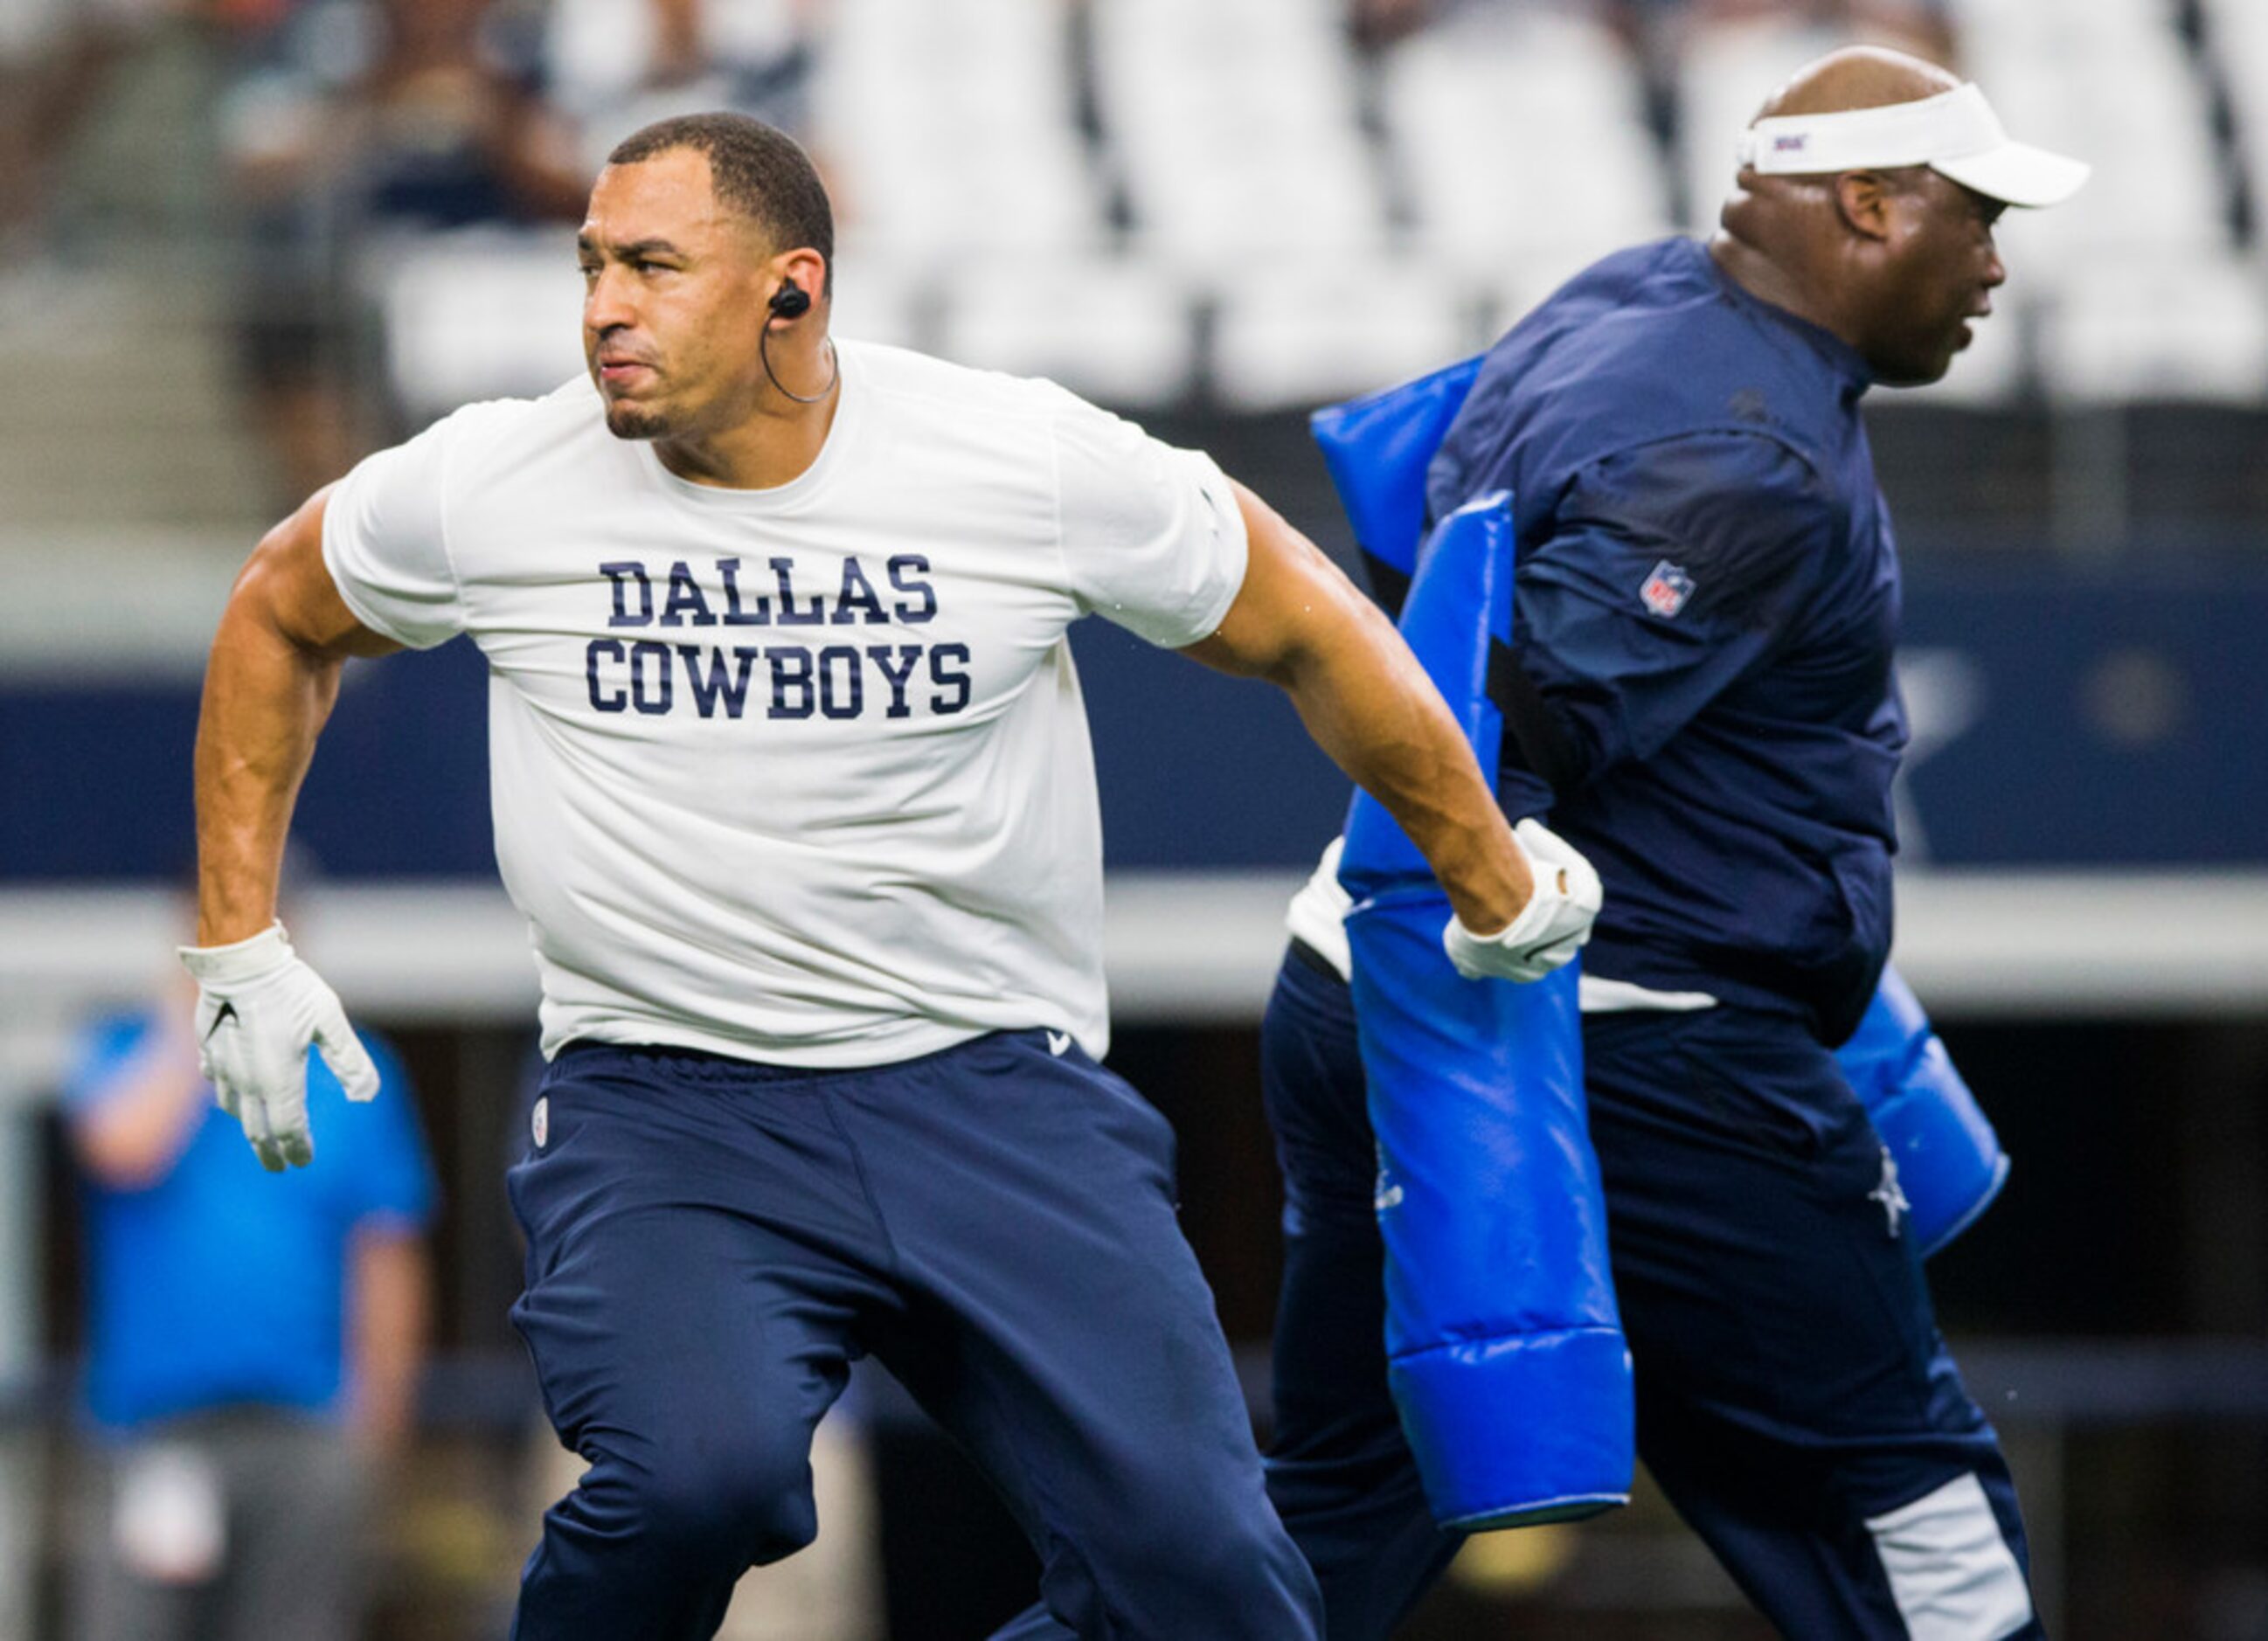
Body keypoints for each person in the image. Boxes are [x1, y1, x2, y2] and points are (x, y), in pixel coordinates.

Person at [176, 111, 1598, 1640]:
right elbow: (280, 609)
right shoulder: (497, 479)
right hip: (670, 1113)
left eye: (652, 265)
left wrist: (1487, 871)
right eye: (592, 264)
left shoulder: (1020, 460)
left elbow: (1313, 625)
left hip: (999, 1096)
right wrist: (239, 942)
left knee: (1213, 1587)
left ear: (790, 290)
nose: (601, 305)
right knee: (692, 1485)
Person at [1260, 46, 2085, 1640]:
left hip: (1369, 979)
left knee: (1325, 1527)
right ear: (1863, 205)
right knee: (1901, 1492)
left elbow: (1418, 536)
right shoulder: (1754, 458)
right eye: (1975, 219)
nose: (1992, 265)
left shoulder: (1631, 286)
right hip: (1627, 1053)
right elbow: (1516, 718)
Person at [62, 938, 434, 1641]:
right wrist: (192, 1024)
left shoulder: (350, 1068)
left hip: (308, 1428)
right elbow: (121, 1148)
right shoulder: (124, 1048)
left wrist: (379, 1428)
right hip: (159, 1431)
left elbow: (386, 1254)